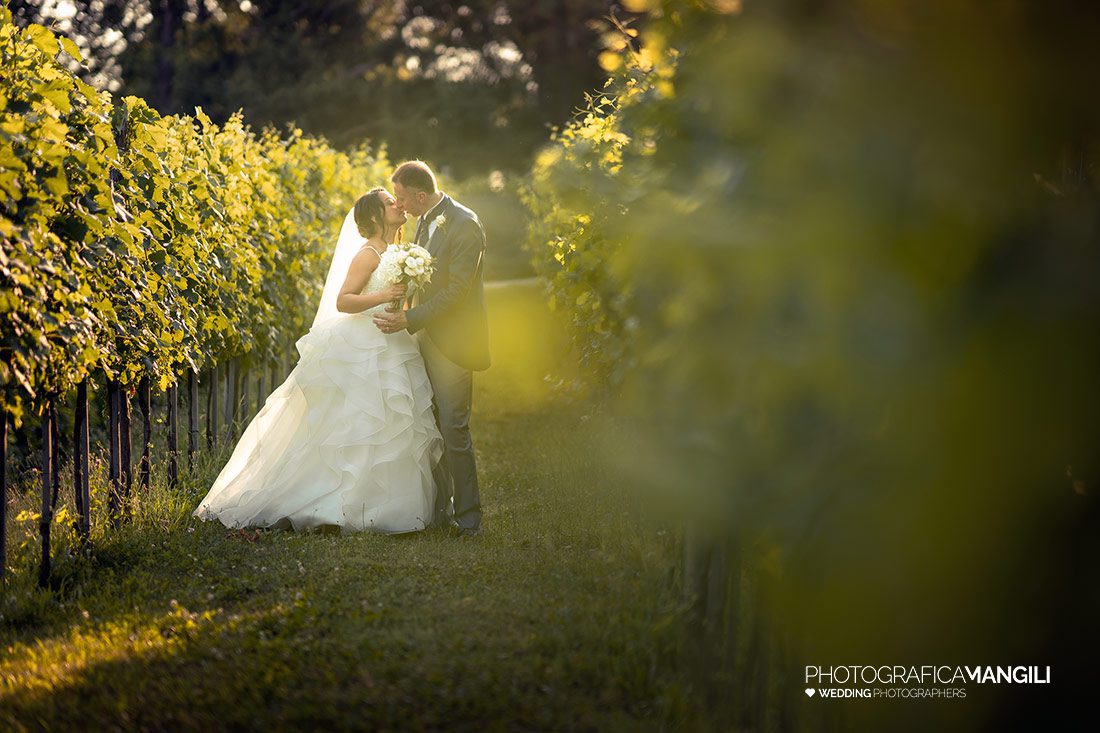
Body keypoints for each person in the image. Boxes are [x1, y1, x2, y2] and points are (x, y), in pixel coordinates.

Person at [193, 188, 444, 533]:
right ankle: (337, 504)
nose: (398, 206)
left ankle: (387, 507)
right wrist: (385, 295)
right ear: (374, 216)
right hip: (362, 345)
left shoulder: (397, 252)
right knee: (357, 425)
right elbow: (344, 301)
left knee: (391, 425)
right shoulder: (368, 254)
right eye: (390, 203)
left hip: (393, 342)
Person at [374, 161, 490, 537]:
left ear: (421, 196)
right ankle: (441, 509)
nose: (400, 205)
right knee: (430, 426)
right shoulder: (424, 222)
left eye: (404, 198)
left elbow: (457, 292)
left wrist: (411, 319)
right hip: (424, 335)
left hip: (453, 342)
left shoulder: (464, 224)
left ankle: (469, 519)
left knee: (454, 428)